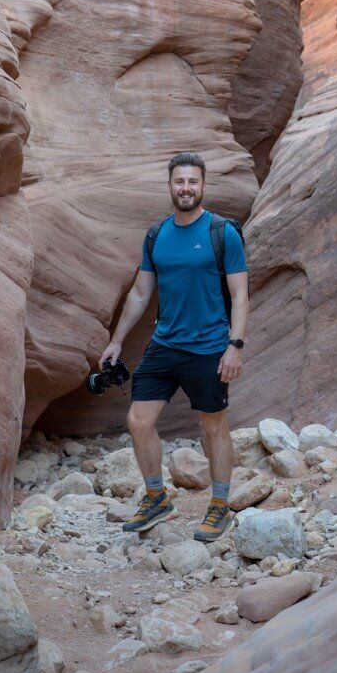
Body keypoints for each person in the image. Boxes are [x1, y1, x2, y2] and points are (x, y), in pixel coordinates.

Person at [99, 152, 249, 542]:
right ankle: (157, 498)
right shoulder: (157, 235)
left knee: (212, 425)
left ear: (203, 186)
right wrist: (116, 340)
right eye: (179, 181)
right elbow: (140, 292)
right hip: (164, 344)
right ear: (170, 185)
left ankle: (219, 506)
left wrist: (235, 346)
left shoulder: (222, 233)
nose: (186, 188)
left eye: (192, 182)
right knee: (138, 420)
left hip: (210, 346)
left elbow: (241, 294)